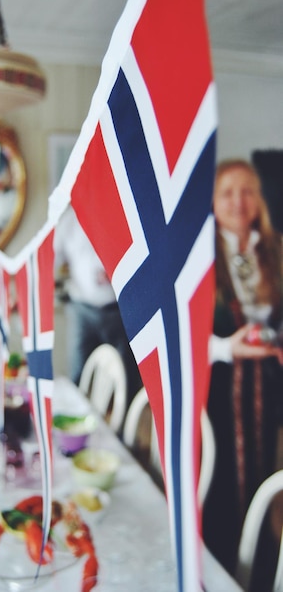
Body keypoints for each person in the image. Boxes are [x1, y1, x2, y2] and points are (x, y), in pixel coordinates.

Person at [203, 158, 283, 587]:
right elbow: (180, 334)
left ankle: (259, 565)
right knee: (221, 483)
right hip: (218, 387)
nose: (239, 200)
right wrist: (224, 347)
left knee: (261, 474)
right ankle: (220, 568)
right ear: (213, 201)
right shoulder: (199, 257)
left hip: (266, 389)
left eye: (248, 190)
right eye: (228, 191)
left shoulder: (275, 249)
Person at [53, 205, 142, 408]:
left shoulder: (124, 211)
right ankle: (75, 427)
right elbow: (53, 259)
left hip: (120, 310)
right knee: (78, 373)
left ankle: (122, 435)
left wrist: (119, 270)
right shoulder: (68, 219)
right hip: (82, 309)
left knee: (126, 378)